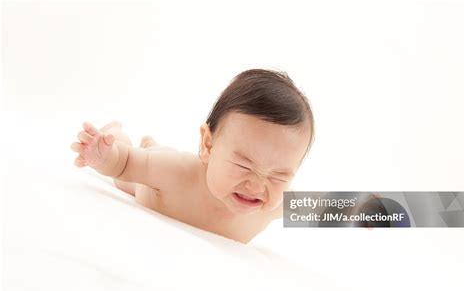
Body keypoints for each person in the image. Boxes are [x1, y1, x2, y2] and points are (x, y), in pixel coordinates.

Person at [70, 68, 315, 243]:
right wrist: (105, 156)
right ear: (208, 145)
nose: (257, 185)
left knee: (151, 153)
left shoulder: (275, 205)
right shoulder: (176, 173)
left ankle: (149, 144)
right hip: (153, 184)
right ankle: (116, 132)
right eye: (244, 165)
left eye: (279, 175)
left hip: (159, 165)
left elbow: (329, 206)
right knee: (128, 176)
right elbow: (124, 164)